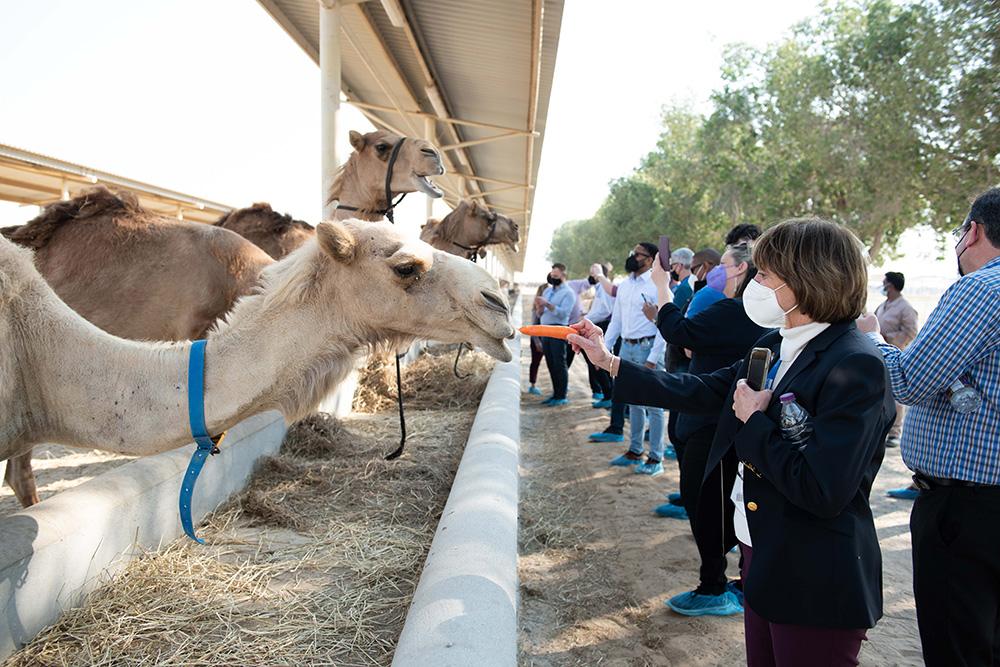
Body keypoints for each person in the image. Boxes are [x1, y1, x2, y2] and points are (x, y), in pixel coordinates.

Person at [572, 217, 894, 666]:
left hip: (813, 573)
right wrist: (608, 362)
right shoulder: (774, 344)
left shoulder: (856, 364)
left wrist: (757, 422)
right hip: (759, 550)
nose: (753, 283)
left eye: (764, 274)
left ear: (807, 280)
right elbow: (701, 390)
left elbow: (824, 489)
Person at [858, 187, 1000, 667]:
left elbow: (910, 381)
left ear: (973, 232)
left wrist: (870, 338)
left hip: (968, 508)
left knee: (958, 644)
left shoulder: (981, 289)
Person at [649, 242, 768, 618]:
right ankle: (743, 583)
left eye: (725, 265)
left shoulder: (736, 312)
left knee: (705, 505)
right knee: (730, 505)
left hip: (711, 422)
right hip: (728, 419)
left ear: (739, 269)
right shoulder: (749, 315)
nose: (716, 271)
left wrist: (661, 286)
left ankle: (713, 587)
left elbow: (678, 330)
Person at [603, 242, 669, 474]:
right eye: (632, 253)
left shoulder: (658, 286)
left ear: (650, 260)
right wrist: (606, 346)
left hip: (647, 347)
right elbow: (616, 320)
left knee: (654, 405)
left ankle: (656, 458)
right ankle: (635, 450)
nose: (632, 257)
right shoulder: (625, 286)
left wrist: (653, 356)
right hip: (627, 349)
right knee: (633, 402)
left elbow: (665, 325)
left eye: (638, 254)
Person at [874, 272, 918, 447]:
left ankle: (895, 432)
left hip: (896, 355)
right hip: (878, 354)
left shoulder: (905, 308)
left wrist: (888, 337)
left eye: (884, 282)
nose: (882, 285)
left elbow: (911, 332)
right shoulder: (883, 305)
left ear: (890, 285)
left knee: (896, 396)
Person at [535, 263, 576, 406]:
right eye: (552, 275)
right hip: (545, 329)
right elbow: (540, 313)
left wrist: (547, 304)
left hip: (558, 329)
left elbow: (563, 313)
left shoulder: (568, 293)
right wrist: (540, 309)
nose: (553, 278)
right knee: (551, 363)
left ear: (563, 276)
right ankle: (555, 393)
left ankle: (561, 395)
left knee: (559, 363)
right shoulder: (547, 291)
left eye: (556, 276)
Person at [583, 262, 615, 408]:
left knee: (599, 362)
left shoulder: (604, 288)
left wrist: (585, 320)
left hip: (602, 326)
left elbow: (605, 310)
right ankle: (607, 394)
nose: (591, 275)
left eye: (594, 272)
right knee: (595, 362)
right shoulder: (599, 288)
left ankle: (609, 395)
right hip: (597, 324)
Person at [526, 283, 547, 395]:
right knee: (535, 362)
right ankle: (532, 385)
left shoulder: (549, 306)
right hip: (538, 338)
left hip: (548, 337)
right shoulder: (536, 308)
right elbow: (533, 326)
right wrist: (537, 342)